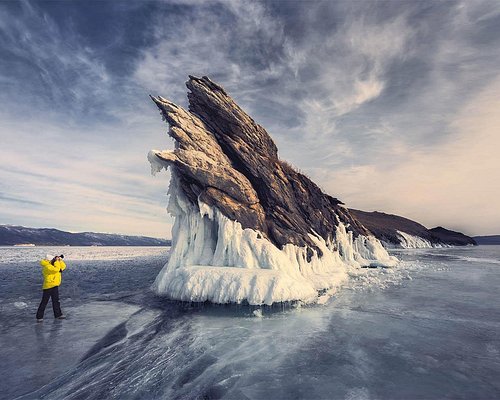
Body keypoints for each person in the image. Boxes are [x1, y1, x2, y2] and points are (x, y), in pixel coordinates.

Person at [36, 254, 67, 322]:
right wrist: (56, 262)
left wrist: (60, 260)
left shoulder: (54, 264)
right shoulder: (47, 266)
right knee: (44, 302)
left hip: (55, 285)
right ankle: (39, 317)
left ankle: (58, 315)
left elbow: (63, 267)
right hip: (48, 286)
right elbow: (56, 270)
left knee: (56, 301)